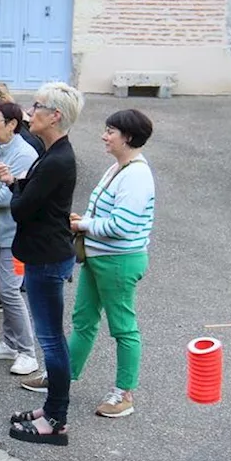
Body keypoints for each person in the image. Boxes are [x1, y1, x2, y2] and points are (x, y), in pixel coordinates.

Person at [0, 81, 84, 446]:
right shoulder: (50, 152)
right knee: (51, 338)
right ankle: (51, 408)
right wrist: (16, 181)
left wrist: (15, 189)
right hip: (45, 253)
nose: (31, 111)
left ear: (55, 116)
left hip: (46, 256)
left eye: (38, 106)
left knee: (51, 341)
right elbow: (29, 192)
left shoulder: (58, 159)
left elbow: (21, 207)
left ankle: (56, 420)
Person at [67, 109, 157, 418]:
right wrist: (87, 222)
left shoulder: (136, 175)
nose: (104, 136)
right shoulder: (119, 167)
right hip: (99, 258)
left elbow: (123, 225)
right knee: (83, 319)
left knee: (123, 328)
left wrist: (83, 225)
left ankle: (124, 393)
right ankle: (63, 375)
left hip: (119, 261)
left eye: (111, 132)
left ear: (128, 137)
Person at [0, 101, 40, 376]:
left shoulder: (24, 154)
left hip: (14, 235)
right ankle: (10, 343)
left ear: (12, 124)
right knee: (5, 288)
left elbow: (5, 197)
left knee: (11, 291)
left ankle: (28, 352)